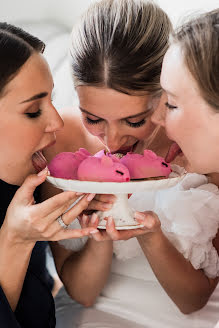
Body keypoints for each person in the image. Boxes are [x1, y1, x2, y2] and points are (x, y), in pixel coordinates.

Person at [43, 1, 219, 327]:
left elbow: (194, 299)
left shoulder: (199, 147)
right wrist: (102, 229)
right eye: (93, 118)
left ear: (164, 96)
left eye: (135, 121)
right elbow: (82, 292)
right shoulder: (59, 147)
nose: (112, 140)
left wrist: (149, 235)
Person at [0, 22, 100, 328]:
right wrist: (15, 240)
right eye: (33, 111)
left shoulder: (25, 187)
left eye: (52, 101)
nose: (57, 122)